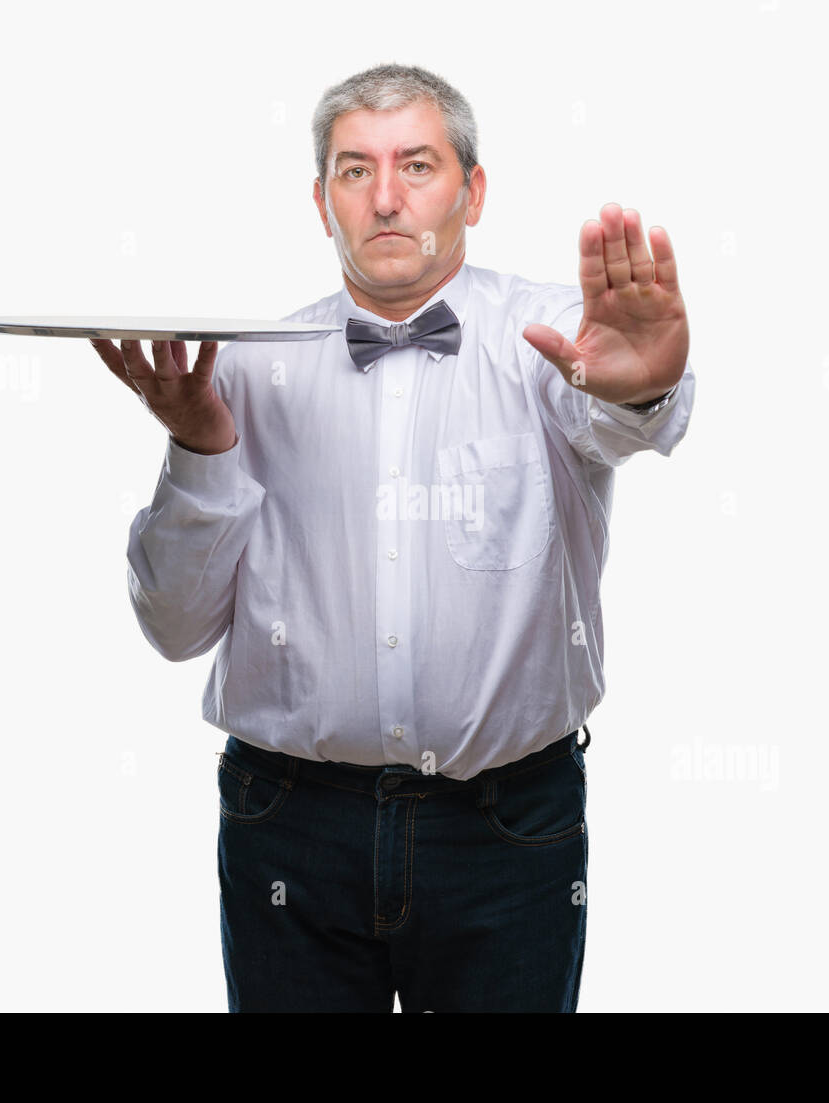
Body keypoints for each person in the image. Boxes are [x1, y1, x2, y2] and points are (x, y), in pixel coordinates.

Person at [89, 62, 695, 1012]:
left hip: (509, 828)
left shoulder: (553, 341)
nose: (385, 198)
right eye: (354, 170)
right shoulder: (244, 368)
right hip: (286, 823)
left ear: (473, 190)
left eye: (417, 165)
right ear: (320, 201)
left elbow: (623, 417)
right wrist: (196, 443)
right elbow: (172, 629)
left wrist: (640, 385)